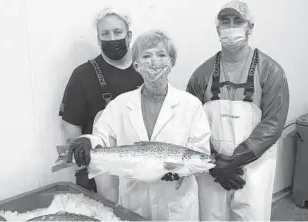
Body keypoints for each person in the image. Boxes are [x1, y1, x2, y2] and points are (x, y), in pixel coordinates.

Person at [69, 30, 211, 221]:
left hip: (176, 205)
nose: (154, 62)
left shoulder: (190, 105)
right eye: (146, 56)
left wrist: (181, 171)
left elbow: (199, 148)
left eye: (161, 55)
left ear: (172, 61)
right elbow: (101, 137)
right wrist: (87, 141)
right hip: (133, 202)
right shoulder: (119, 105)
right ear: (136, 65)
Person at [186, 0, 290, 221]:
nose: (231, 26)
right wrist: (214, 162)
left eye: (238, 21)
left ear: (250, 27)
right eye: (225, 22)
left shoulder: (271, 72)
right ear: (218, 29)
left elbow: (273, 123)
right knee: (210, 216)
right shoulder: (201, 75)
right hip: (212, 168)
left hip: (254, 167)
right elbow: (191, 123)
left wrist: (235, 160)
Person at [58, 7, 143, 196]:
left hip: (141, 170)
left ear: (129, 35)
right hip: (102, 174)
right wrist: (81, 168)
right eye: (105, 33)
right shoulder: (83, 75)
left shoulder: (145, 69)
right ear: (98, 39)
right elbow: (70, 125)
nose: (112, 38)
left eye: (117, 32)